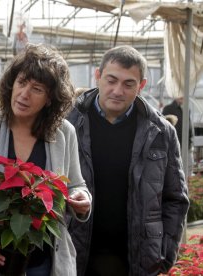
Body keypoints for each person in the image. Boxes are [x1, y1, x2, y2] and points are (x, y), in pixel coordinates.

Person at [0, 43, 92, 276]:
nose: (24, 94)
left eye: (37, 89)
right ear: (11, 83)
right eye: (21, 82)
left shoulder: (64, 133)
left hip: (45, 263)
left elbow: (75, 184)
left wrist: (82, 199)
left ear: (50, 98)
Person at [67, 45, 190, 276]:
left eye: (128, 84)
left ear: (141, 86)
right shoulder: (68, 123)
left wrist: (164, 254)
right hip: (76, 253)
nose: (117, 90)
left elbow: (176, 199)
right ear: (98, 76)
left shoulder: (160, 133)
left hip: (137, 259)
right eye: (111, 80)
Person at [162, 96, 195, 176]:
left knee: (188, 166)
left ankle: (187, 184)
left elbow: (189, 125)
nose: (182, 97)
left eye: (183, 96)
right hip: (174, 143)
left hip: (187, 143)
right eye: (180, 95)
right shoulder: (168, 108)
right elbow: (163, 126)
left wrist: (191, 140)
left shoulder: (186, 109)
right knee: (176, 168)